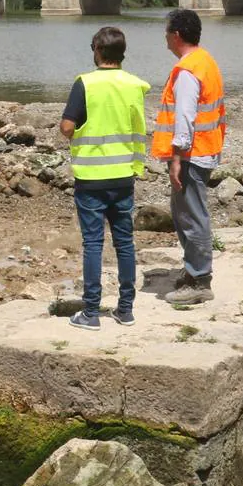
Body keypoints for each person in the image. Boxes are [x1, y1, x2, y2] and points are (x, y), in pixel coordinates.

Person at [61, 27, 150, 330]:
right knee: (125, 242)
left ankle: (90, 312)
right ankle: (125, 309)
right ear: (122, 53)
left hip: (91, 178)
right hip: (124, 175)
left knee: (93, 244)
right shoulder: (135, 85)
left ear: (97, 50)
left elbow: (67, 127)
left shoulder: (85, 84)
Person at [151, 8, 225, 306]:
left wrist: (177, 158)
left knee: (192, 216)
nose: (165, 39)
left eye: (167, 32)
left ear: (176, 35)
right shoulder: (205, 61)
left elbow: (185, 117)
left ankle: (199, 280)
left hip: (192, 155)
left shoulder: (187, 71)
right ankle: (194, 270)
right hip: (205, 150)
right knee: (187, 214)